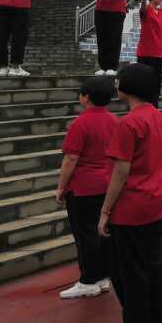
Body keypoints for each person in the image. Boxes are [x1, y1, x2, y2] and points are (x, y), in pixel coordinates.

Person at [97, 63, 162, 323]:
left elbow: (120, 171)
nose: (116, 85)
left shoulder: (129, 123)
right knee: (152, 267)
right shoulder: (158, 117)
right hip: (154, 200)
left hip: (131, 205)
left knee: (130, 271)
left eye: (119, 80)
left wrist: (104, 211)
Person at [55, 75, 118, 297]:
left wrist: (61, 187)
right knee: (101, 231)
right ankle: (101, 276)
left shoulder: (80, 123)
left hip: (84, 186)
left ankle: (89, 279)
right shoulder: (114, 120)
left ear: (86, 97)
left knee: (85, 234)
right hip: (107, 182)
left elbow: (71, 158)